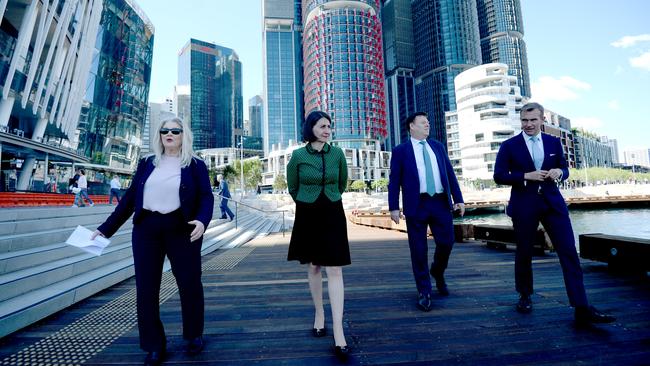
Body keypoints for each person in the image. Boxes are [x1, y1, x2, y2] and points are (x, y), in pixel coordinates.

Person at [91, 117, 214, 365]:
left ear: (183, 135)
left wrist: (201, 221)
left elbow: (206, 197)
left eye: (175, 131)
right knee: (146, 289)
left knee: (189, 284)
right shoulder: (147, 162)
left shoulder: (195, 164)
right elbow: (129, 199)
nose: (169, 134)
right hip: (147, 230)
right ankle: (154, 345)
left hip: (182, 229)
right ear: (159, 135)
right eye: (164, 131)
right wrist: (105, 229)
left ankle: (193, 335)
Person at [493, 102, 615, 326]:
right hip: (524, 205)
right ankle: (525, 295)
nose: (528, 124)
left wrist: (561, 172)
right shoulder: (509, 145)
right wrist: (525, 176)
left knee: (569, 251)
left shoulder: (553, 142)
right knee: (524, 252)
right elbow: (499, 175)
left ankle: (581, 307)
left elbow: (565, 168)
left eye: (533, 120)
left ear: (542, 120)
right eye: (524, 120)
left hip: (553, 204)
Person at [286, 110, 351, 360]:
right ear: (311, 128)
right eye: (322, 126)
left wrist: (330, 198)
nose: (327, 130)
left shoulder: (337, 154)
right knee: (314, 266)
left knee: (334, 269)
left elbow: (342, 182)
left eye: (329, 127)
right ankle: (319, 314)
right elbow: (293, 186)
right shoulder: (298, 155)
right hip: (308, 213)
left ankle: (339, 332)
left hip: (333, 211)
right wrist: (305, 202)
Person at [387, 111, 465, 312]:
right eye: (423, 122)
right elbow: (394, 181)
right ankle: (424, 291)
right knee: (418, 250)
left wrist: (459, 200)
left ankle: (437, 272)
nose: (427, 125)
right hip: (416, 204)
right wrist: (393, 207)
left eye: (428, 122)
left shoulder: (437, 147)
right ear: (412, 126)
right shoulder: (400, 151)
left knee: (447, 242)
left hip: (440, 202)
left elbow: (449, 174)